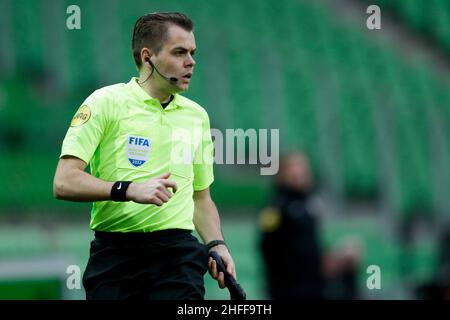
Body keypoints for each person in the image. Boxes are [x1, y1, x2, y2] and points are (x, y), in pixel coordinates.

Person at [53, 12, 235, 300]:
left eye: (192, 53)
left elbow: (200, 198)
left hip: (178, 257)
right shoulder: (105, 103)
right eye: (179, 52)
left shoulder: (197, 116)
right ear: (148, 56)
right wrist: (129, 190)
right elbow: (63, 183)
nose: (191, 62)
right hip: (115, 257)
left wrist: (216, 244)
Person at [259, 152, 324, 299]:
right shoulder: (275, 208)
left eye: (303, 168)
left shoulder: (311, 203)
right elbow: (267, 246)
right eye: (293, 168)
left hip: (313, 285)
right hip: (287, 288)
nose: (299, 173)